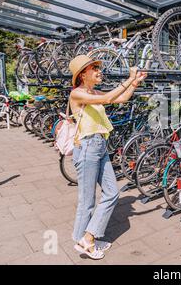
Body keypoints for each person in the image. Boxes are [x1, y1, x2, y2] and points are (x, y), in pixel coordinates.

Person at [68, 55, 147, 260]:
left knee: (112, 193)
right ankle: (86, 240)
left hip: (99, 146)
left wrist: (135, 83)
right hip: (87, 147)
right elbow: (109, 98)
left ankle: (86, 237)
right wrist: (129, 78)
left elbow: (120, 98)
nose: (99, 71)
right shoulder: (77, 94)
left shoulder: (92, 92)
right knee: (87, 201)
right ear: (83, 74)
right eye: (94, 68)